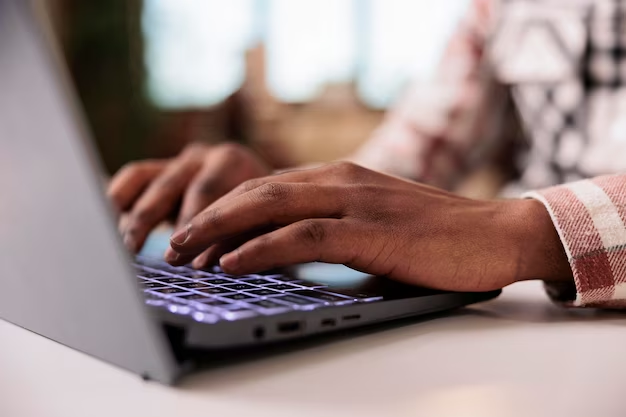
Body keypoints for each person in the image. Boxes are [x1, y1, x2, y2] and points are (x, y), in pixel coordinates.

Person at [108, 0, 626, 308]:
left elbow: (507, 230)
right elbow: (420, 145)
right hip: (525, 314)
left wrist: (526, 232)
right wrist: (287, 196)